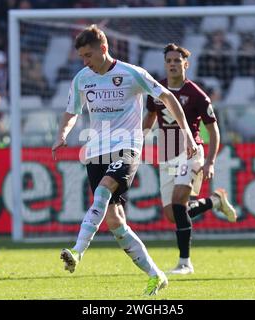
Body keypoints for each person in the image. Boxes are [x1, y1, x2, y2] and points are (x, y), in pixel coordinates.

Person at [51, 25, 198, 296]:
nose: (85, 62)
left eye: (88, 55)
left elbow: (167, 97)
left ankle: (77, 251)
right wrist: (62, 133)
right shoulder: (82, 78)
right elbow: (71, 111)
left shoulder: (132, 74)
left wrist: (187, 133)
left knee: (104, 190)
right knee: (115, 220)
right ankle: (157, 275)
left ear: (103, 49)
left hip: (127, 147)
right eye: (81, 57)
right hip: (95, 152)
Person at [143, 43, 237, 275]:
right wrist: (136, 141)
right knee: (172, 214)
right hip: (166, 153)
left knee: (178, 202)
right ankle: (214, 201)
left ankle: (185, 262)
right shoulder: (157, 90)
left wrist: (210, 161)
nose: (173, 64)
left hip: (191, 153)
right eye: (169, 61)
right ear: (165, 65)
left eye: (177, 61)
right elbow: (150, 118)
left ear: (186, 64)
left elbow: (213, 130)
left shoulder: (197, 95)